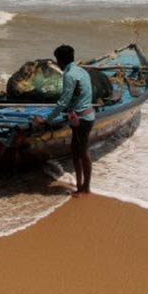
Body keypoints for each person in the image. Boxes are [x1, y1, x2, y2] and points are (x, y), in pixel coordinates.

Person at [34, 44, 95, 195]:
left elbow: (63, 101)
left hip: (81, 120)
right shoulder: (82, 71)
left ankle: (85, 187)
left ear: (60, 61)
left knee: (82, 152)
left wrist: (47, 120)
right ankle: (80, 185)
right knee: (76, 151)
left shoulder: (69, 75)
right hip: (86, 116)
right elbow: (80, 95)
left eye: (57, 60)